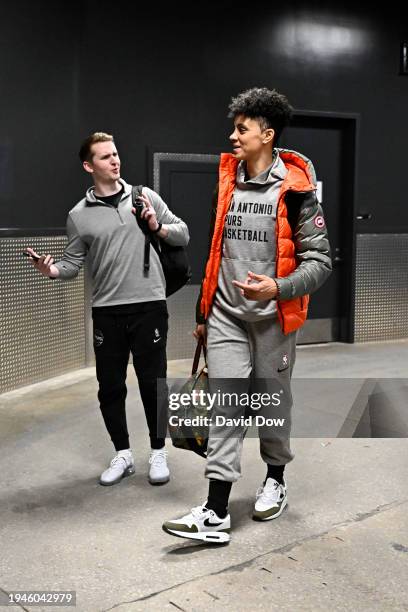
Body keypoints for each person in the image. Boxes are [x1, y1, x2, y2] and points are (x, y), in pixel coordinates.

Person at [163, 87, 331, 542]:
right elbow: (218, 250)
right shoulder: (228, 180)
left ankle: (275, 479)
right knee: (227, 405)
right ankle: (216, 510)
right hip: (226, 316)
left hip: (274, 318)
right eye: (234, 128)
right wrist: (204, 310)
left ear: (267, 134)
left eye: (242, 129)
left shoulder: (297, 192)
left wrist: (278, 287)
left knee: (273, 405)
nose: (232, 136)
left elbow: (321, 262)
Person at [26, 132, 189, 487]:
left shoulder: (145, 197)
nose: (114, 161)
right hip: (107, 311)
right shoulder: (78, 216)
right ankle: (123, 454)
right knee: (110, 386)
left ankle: (158, 451)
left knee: (153, 383)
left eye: (115, 154)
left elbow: (183, 234)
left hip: (149, 306)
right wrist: (50, 270)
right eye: (105, 157)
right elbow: (71, 264)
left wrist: (156, 227)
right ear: (89, 166)